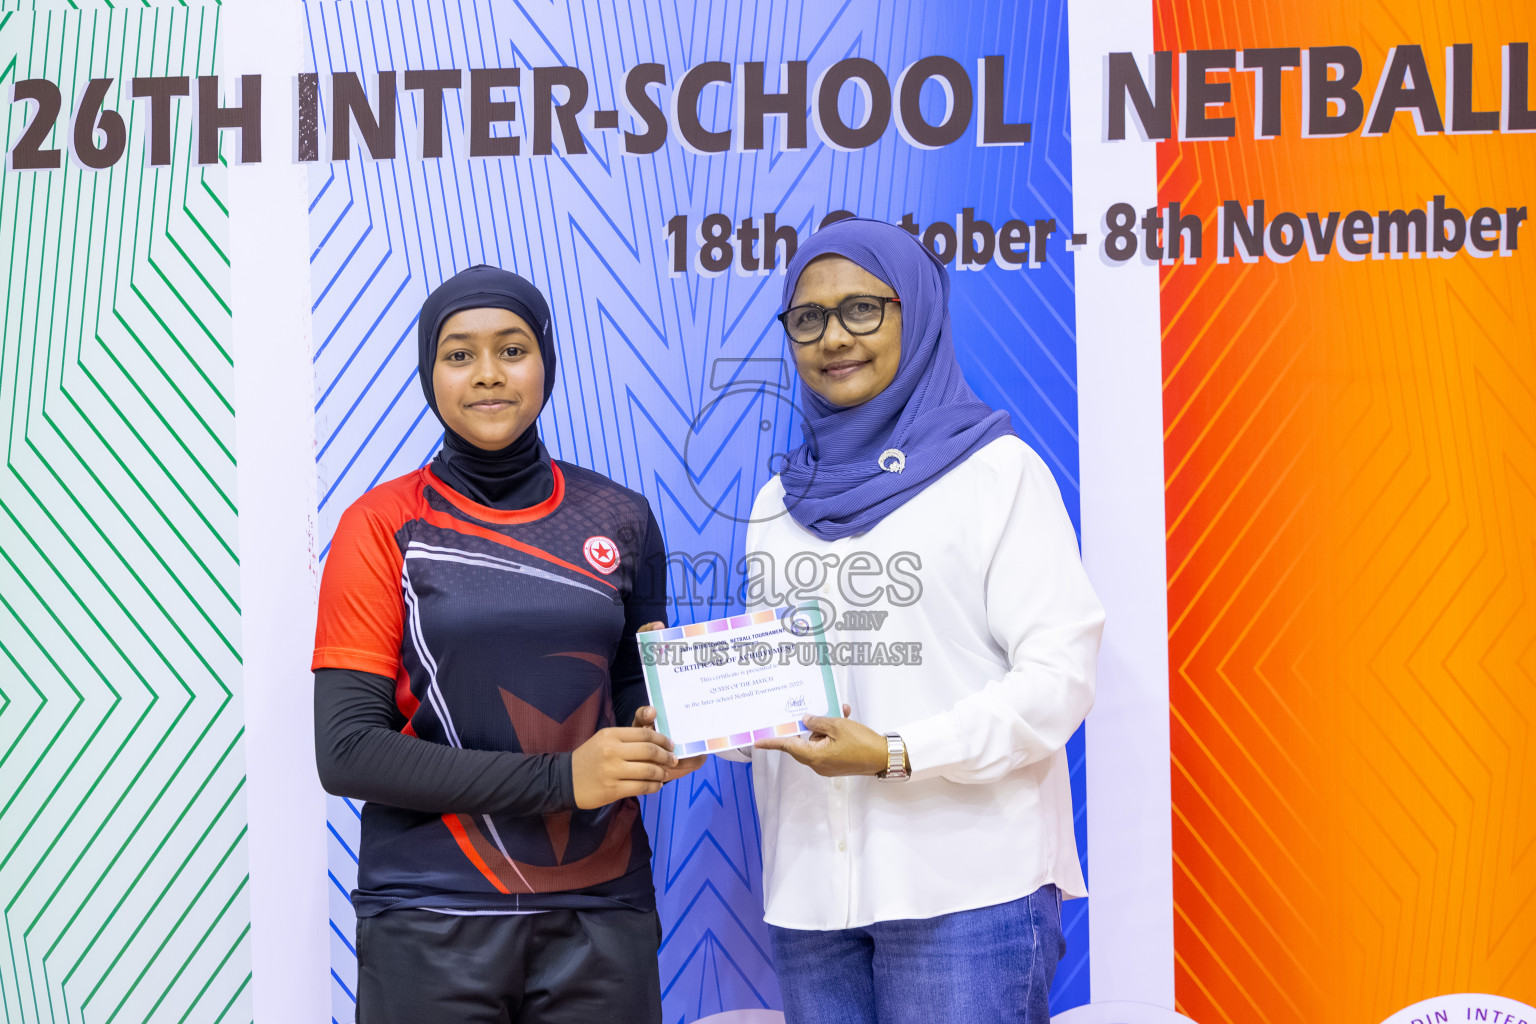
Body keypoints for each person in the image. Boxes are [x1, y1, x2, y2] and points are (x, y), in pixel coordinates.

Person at [312, 265, 702, 1024]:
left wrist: (662, 727)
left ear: (546, 363)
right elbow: (347, 751)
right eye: (459, 354)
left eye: (512, 349)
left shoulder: (621, 516)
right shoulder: (382, 523)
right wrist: (563, 780)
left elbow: (630, 686)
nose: (488, 375)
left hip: (601, 910)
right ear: (431, 373)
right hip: (432, 917)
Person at [738, 219, 1104, 1024]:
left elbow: (1058, 677)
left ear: (921, 313)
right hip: (812, 894)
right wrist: (710, 726)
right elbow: (784, 683)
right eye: (809, 318)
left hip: (966, 887)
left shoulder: (996, 474)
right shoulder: (779, 503)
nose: (835, 337)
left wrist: (900, 754)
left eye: (864, 309)